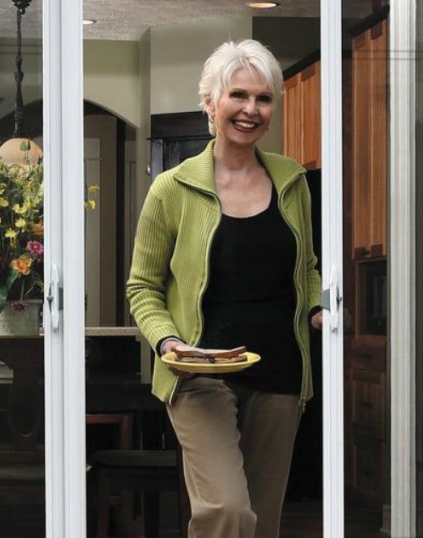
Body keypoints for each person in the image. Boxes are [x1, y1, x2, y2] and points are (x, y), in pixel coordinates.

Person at [126, 39, 323, 538]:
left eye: (263, 98)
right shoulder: (172, 188)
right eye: (239, 95)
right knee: (228, 513)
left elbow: (308, 268)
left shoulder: (291, 182)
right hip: (200, 374)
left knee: (263, 522)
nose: (251, 110)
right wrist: (168, 343)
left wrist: (319, 305)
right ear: (211, 102)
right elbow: (143, 286)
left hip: (280, 372)